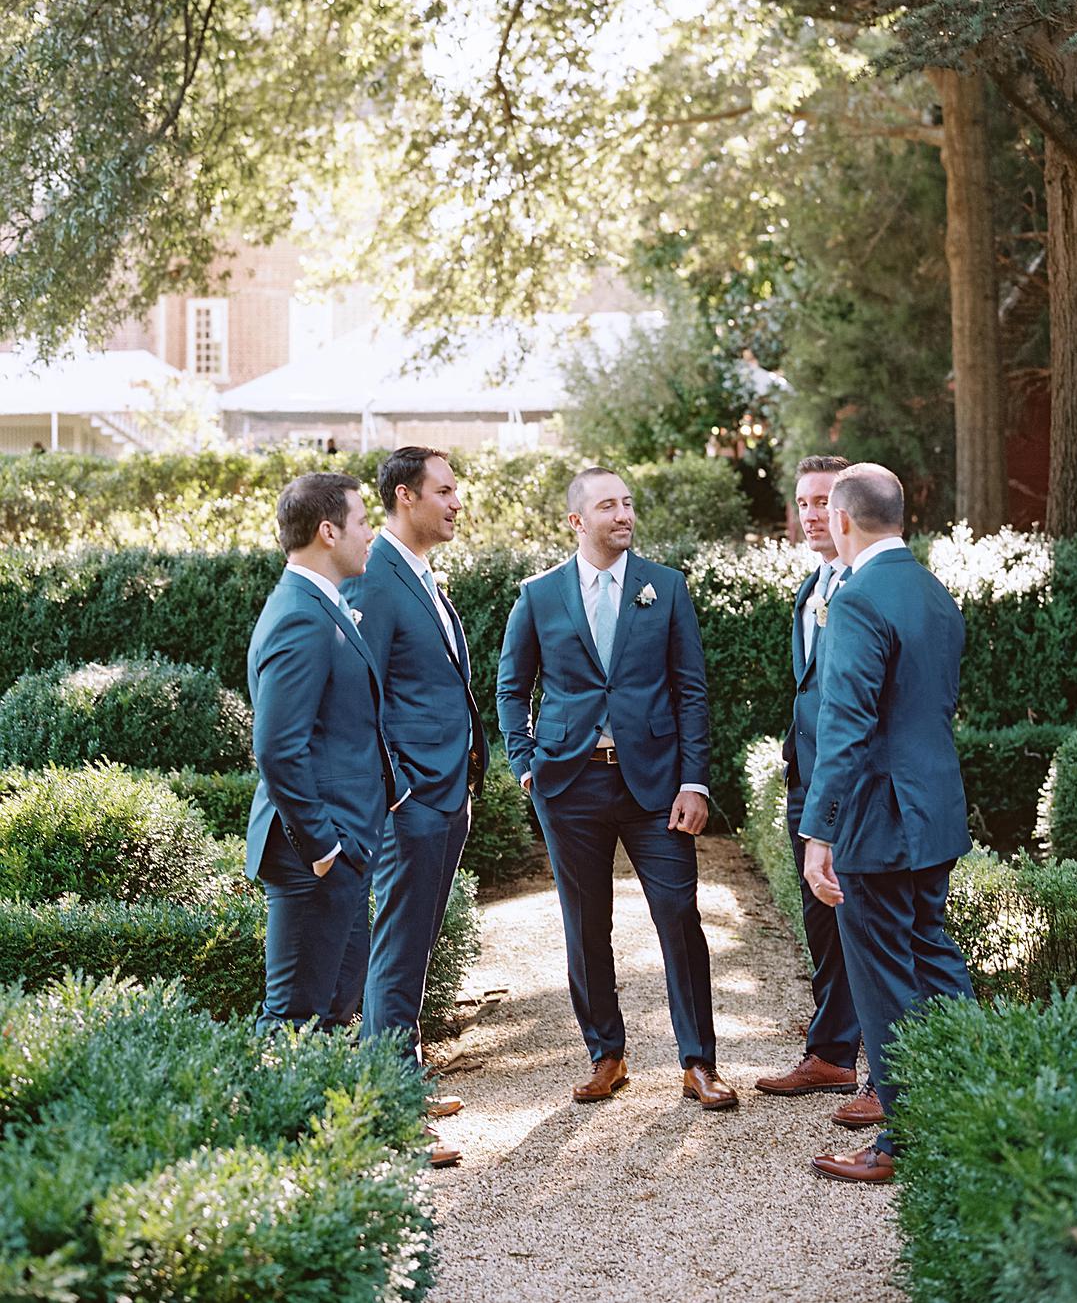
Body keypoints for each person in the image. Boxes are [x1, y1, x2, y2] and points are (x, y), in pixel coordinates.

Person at [496, 465, 737, 1110]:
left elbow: (691, 690)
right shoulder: (539, 595)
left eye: (628, 504)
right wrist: (525, 760)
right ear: (577, 520)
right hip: (568, 785)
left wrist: (694, 781)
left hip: (655, 785)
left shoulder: (667, 587)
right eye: (608, 506)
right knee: (586, 925)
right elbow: (510, 687)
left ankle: (699, 1062)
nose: (623, 515)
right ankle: (606, 1055)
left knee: (680, 917)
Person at [800, 463, 975, 1183]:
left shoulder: (859, 599)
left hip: (877, 818)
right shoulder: (936, 595)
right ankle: (972, 1103)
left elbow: (846, 728)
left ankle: (897, 1143)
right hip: (935, 811)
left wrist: (821, 831)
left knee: (882, 981)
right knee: (932, 956)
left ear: (842, 520)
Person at [344, 447, 487, 1170]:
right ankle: (390, 1106)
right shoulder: (376, 576)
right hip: (411, 802)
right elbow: (358, 691)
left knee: (415, 944)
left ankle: (401, 1070)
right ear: (406, 496)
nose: (457, 502)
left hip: (443, 793)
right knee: (398, 946)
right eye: (446, 490)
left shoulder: (421, 576)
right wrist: (397, 786)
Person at [755, 455, 883, 1131]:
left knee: (865, 926)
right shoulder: (812, 587)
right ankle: (832, 1052)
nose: (809, 514)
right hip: (808, 782)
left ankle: (884, 1076)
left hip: (855, 789)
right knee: (822, 924)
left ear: (849, 506)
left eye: (821, 501)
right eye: (801, 502)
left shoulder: (870, 586)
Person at [244, 471, 397, 1033]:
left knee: (333, 1013)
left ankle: (341, 1123)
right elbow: (279, 749)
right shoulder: (300, 616)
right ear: (328, 532)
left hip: (342, 848)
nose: (371, 537)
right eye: (363, 523)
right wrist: (323, 847)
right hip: (312, 855)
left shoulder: (320, 604)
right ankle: (277, 1122)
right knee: (292, 1021)